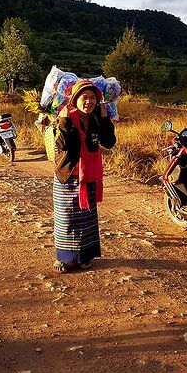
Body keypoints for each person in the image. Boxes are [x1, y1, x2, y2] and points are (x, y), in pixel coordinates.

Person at [52, 80, 116, 273]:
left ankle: (84, 256)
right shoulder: (66, 116)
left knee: (86, 217)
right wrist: (63, 121)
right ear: (75, 99)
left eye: (93, 98)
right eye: (84, 98)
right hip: (68, 175)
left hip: (89, 175)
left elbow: (109, 142)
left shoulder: (97, 117)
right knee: (66, 217)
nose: (89, 102)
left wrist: (105, 118)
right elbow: (62, 145)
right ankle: (63, 258)